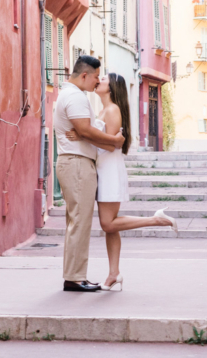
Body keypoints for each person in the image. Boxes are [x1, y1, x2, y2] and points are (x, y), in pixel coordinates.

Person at [75, 72, 176, 290]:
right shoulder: (104, 109)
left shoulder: (112, 110)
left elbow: (110, 144)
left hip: (109, 170)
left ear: (110, 88)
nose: (97, 80)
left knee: (108, 223)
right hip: (104, 169)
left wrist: (83, 135)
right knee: (111, 227)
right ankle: (114, 274)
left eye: (102, 80)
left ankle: (155, 220)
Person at [54, 55, 114, 292]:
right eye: (96, 77)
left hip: (75, 163)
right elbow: (84, 130)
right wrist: (115, 140)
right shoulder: (75, 96)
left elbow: (86, 130)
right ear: (84, 75)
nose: (97, 82)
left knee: (76, 221)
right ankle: (75, 277)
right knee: (80, 222)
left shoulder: (68, 95)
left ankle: (74, 275)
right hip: (77, 164)